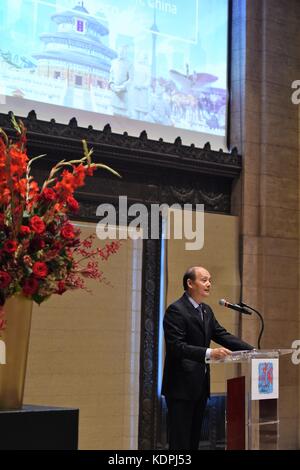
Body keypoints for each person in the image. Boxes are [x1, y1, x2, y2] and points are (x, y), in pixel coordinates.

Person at [161, 265, 254, 450]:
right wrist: (210, 353)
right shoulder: (176, 310)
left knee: (194, 441)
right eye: (204, 280)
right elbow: (176, 347)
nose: (209, 284)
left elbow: (222, 335)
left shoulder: (206, 311)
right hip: (181, 388)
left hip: (200, 386)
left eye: (210, 280)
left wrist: (253, 350)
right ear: (190, 283)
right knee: (180, 443)